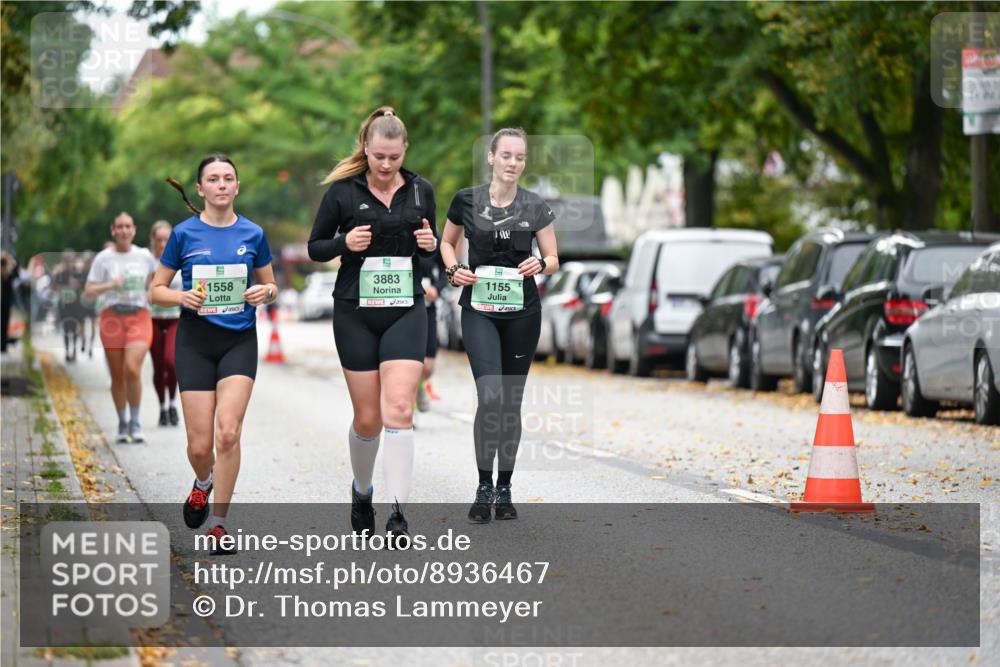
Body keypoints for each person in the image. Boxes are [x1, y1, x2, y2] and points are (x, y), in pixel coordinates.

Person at [308, 106, 438, 544]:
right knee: (367, 419)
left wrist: (430, 245)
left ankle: (399, 512)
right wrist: (344, 241)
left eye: (394, 158)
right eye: (379, 156)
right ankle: (362, 492)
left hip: (405, 307)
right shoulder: (343, 193)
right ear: (366, 148)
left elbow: (430, 250)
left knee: (398, 410)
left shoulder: (421, 191)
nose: (386, 166)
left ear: (404, 152)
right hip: (355, 312)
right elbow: (315, 248)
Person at [150, 155, 277, 555]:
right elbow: (156, 289)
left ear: (237, 187)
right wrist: (179, 296)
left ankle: (219, 524)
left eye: (228, 178)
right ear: (201, 189)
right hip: (195, 342)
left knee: (228, 432)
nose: (221, 185)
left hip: (239, 341)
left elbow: (270, 285)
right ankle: (203, 482)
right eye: (213, 179)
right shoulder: (184, 235)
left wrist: (266, 292)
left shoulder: (253, 234)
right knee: (200, 446)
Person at [439, 128, 559, 524]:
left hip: (522, 313)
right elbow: (446, 242)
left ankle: (504, 487)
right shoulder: (466, 200)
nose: (512, 163)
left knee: (509, 404)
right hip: (480, 311)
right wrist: (454, 268)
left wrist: (540, 264)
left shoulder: (534, 205)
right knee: (489, 396)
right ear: (491, 158)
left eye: (519, 157)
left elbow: (554, 257)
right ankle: (482, 485)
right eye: (506, 155)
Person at [84, 213, 157, 443]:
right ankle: (122, 421)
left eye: (128, 226)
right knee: (117, 375)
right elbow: (88, 290)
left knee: (132, 369)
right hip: (111, 317)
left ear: (134, 230)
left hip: (139, 316)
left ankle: (135, 422)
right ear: (113, 230)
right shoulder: (103, 258)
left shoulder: (144, 256)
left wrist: (153, 291)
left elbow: (156, 282)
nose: (124, 230)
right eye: (120, 227)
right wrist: (111, 285)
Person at [148, 221, 182, 427]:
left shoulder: (180, 261)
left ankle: (173, 403)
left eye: (167, 239)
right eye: (159, 240)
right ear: (153, 240)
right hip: (152, 319)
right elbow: (142, 295)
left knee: (171, 361)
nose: (163, 244)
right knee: (158, 366)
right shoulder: (148, 262)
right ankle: (162, 408)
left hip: (175, 319)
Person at [415, 251, 448, 413]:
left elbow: (445, 270)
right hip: (404, 307)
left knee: (427, 365)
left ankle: (419, 384)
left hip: (428, 309)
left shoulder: (435, 238)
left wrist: (437, 288)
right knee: (408, 364)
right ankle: (407, 411)